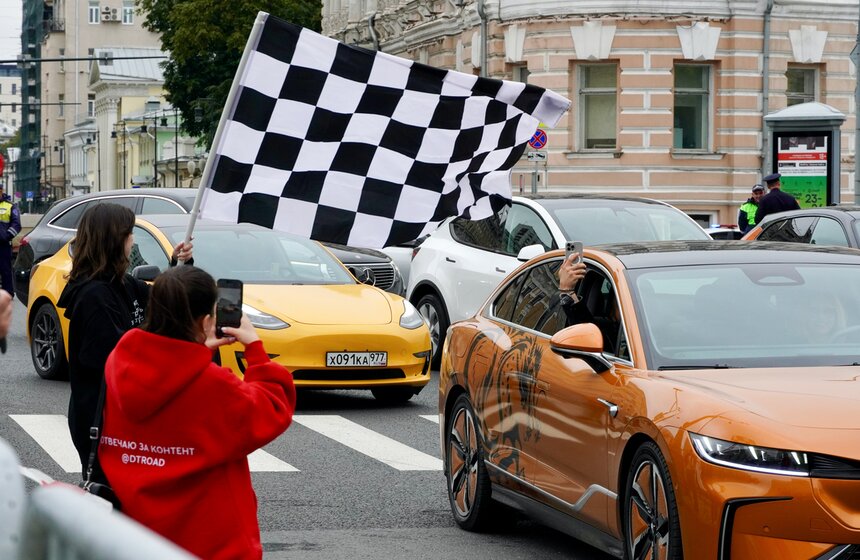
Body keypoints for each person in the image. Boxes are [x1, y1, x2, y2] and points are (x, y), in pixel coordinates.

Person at [99, 265, 296, 560]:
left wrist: (200, 349)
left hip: (138, 533)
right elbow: (270, 409)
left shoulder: (120, 361)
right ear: (205, 321)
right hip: (208, 540)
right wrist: (254, 348)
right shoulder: (212, 383)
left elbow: (168, 369)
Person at [56, 203, 192, 483]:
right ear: (115, 239)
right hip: (101, 419)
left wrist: (179, 266)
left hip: (120, 415)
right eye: (129, 233)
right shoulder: (94, 295)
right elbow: (112, 358)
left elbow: (164, 302)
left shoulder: (121, 283)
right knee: (110, 496)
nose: (133, 240)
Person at [0, 183, 21, 295]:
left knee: (5, 271)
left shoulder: (10, 206)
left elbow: (16, 225)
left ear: (1, 190)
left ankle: (7, 294)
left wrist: (6, 236)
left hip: (3, 245)